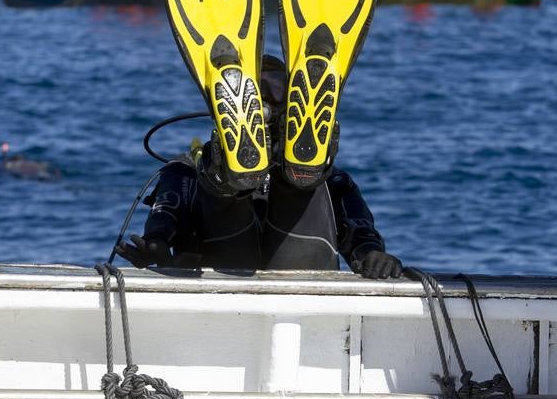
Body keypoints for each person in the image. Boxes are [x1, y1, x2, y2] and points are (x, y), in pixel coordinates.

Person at [119, 55, 402, 278]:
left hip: (232, 281)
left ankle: (255, 176)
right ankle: (240, 176)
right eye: (260, 93)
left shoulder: (333, 182)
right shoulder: (185, 172)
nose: (269, 102)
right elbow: (164, 222)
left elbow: (166, 218)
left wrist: (372, 255)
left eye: (277, 89)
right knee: (293, 184)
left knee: (300, 181)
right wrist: (156, 249)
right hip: (287, 280)